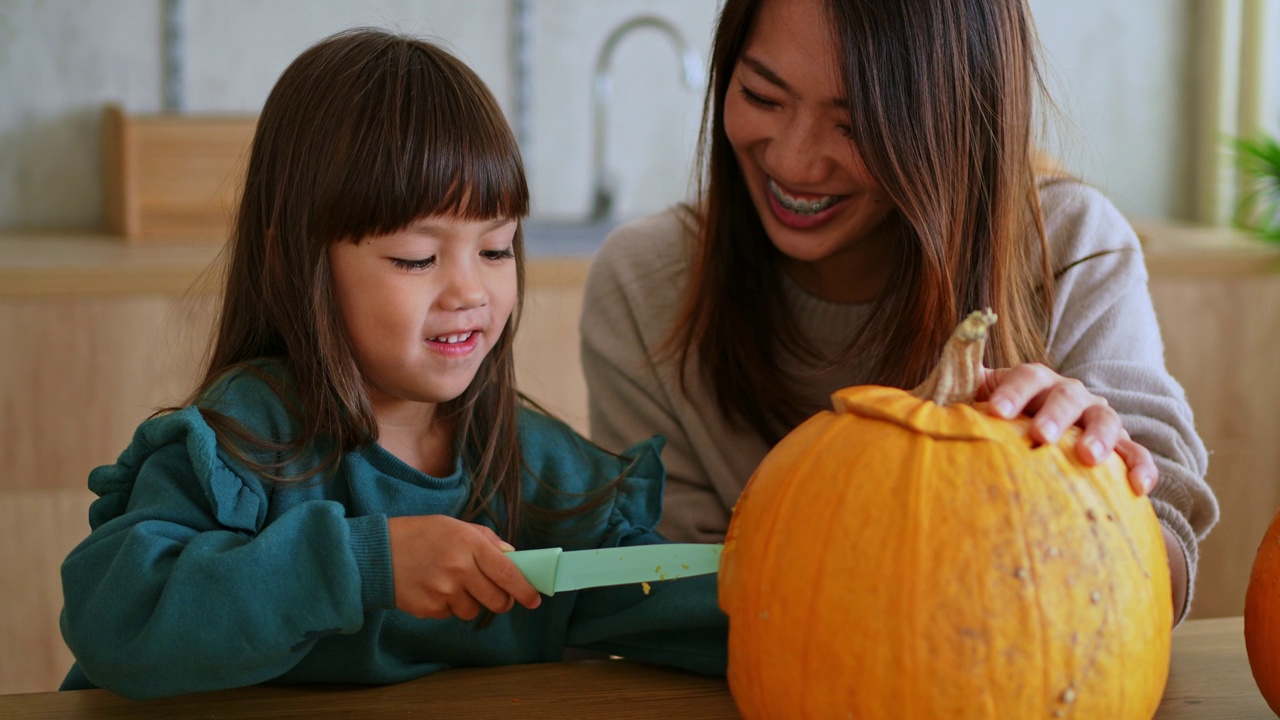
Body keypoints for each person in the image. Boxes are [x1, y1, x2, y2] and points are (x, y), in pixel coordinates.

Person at [58, 28, 726, 700]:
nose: (469, 292)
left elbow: (675, 607)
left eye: (496, 249)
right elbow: (117, 616)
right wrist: (366, 565)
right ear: (296, 265)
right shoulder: (241, 442)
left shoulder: (543, 474)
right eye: (416, 257)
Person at [580, 0, 1218, 624]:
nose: (795, 160)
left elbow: (1162, 571)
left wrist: (1090, 477)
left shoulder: (1069, 245)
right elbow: (669, 591)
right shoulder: (646, 283)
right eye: (763, 97)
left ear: (959, 118)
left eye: (857, 125)